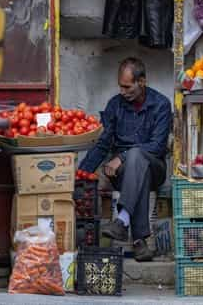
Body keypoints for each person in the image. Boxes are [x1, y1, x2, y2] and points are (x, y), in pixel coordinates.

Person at [78, 57, 171, 261]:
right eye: (120, 86)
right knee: (138, 173)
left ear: (142, 82)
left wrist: (122, 156)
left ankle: (122, 220)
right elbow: (102, 144)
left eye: (127, 87)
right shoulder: (115, 105)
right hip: (123, 174)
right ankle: (139, 241)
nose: (122, 91)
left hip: (155, 168)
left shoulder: (161, 104)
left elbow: (157, 146)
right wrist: (80, 174)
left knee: (137, 156)